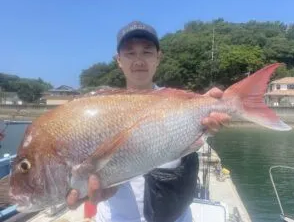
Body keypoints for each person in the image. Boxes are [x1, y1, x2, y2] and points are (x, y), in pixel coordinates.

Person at [66, 21, 231, 222]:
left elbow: (196, 136)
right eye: (130, 53)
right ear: (118, 60)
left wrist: (207, 124)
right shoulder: (101, 110)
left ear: (158, 58)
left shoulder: (179, 103)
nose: (139, 60)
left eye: (146, 52)